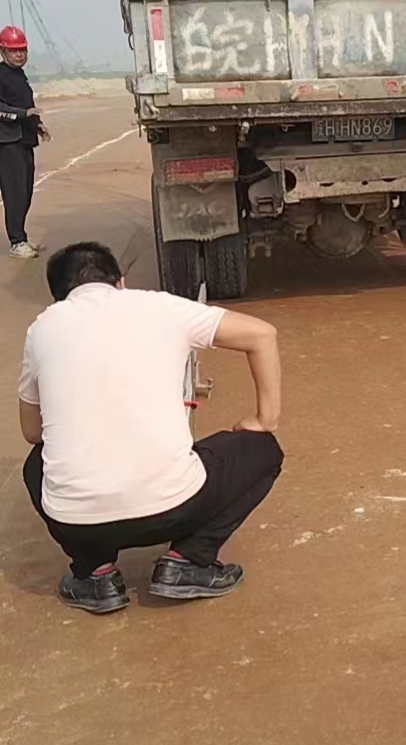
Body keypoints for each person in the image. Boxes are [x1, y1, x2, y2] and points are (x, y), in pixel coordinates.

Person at [18, 242, 283, 613]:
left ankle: (96, 576)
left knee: (36, 465)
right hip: (176, 505)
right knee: (263, 449)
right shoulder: (160, 306)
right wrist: (264, 419)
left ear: (60, 297)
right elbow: (261, 335)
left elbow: (33, 432)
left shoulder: (43, 328)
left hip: (80, 523)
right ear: (120, 282)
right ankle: (186, 561)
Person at [0, 24, 47, 259]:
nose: (19, 55)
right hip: (7, 142)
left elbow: (26, 103)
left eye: (22, 50)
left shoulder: (19, 75)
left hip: (25, 140)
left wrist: (38, 125)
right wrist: (21, 115)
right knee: (15, 192)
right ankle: (16, 242)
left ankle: (22, 237)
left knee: (26, 191)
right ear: (3, 51)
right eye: (13, 50)